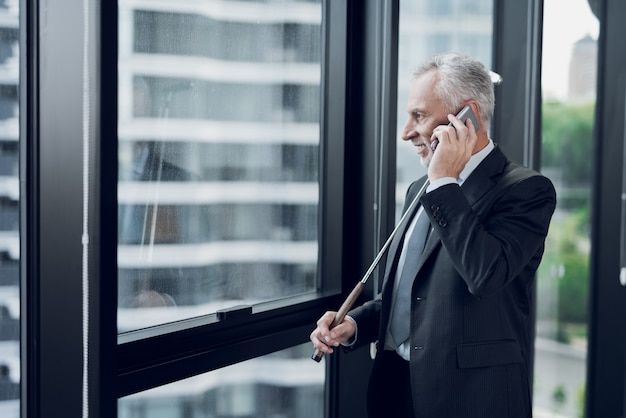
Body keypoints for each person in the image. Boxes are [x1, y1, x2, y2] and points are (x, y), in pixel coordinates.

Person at [310, 52, 557, 418]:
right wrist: (356, 323)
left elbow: (486, 275)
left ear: (466, 116)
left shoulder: (525, 190)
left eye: (419, 116)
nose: (406, 132)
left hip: (471, 400)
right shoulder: (418, 190)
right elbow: (415, 294)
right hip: (395, 391)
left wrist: (444, 182)